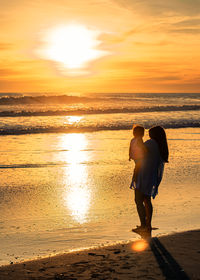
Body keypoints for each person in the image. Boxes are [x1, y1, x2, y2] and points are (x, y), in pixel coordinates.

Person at [132, 126, 169, 235]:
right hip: (150, 175)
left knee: (138, 200)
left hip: (143, 173)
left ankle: (143, 225)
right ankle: (148, 225)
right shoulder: (158, 145)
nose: (148, 133)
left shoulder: (151, 143)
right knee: (147, 200)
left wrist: (137, 141)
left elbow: (141, 152)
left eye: (150, 132)